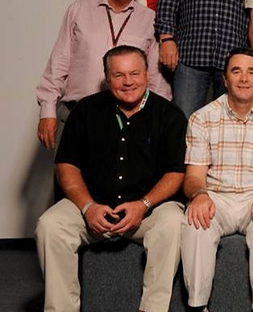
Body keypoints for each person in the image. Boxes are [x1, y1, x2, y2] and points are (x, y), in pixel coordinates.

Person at [35, 46, 187, 312]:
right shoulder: (84, 111)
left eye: (134, 73)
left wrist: (144, 204)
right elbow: (66, 166)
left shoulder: (169, 115)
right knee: (50, 225)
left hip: (147, 210)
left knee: (174, 222)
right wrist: (87, 207)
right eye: (118, 75)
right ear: (107, 78)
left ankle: (152, 309)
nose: (128, 82)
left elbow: (176, 172)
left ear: (147, 74)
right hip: (92, 208)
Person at [181, 48, 253, 311]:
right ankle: (198, 306)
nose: (244, 78)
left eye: (251, 72)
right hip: (216, 195)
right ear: (225, 79)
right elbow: (193, 177)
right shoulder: (202, 118)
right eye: (236, 71)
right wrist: (199, 195)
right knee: (196, 221)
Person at [36, 0, 170, 150]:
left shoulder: (151, 19)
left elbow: (156, 78)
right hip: (77, 115)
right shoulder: (79, 10)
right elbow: (59, 62)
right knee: (68, 179)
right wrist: (47, 111)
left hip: (129, 121)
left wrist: (157, 119)